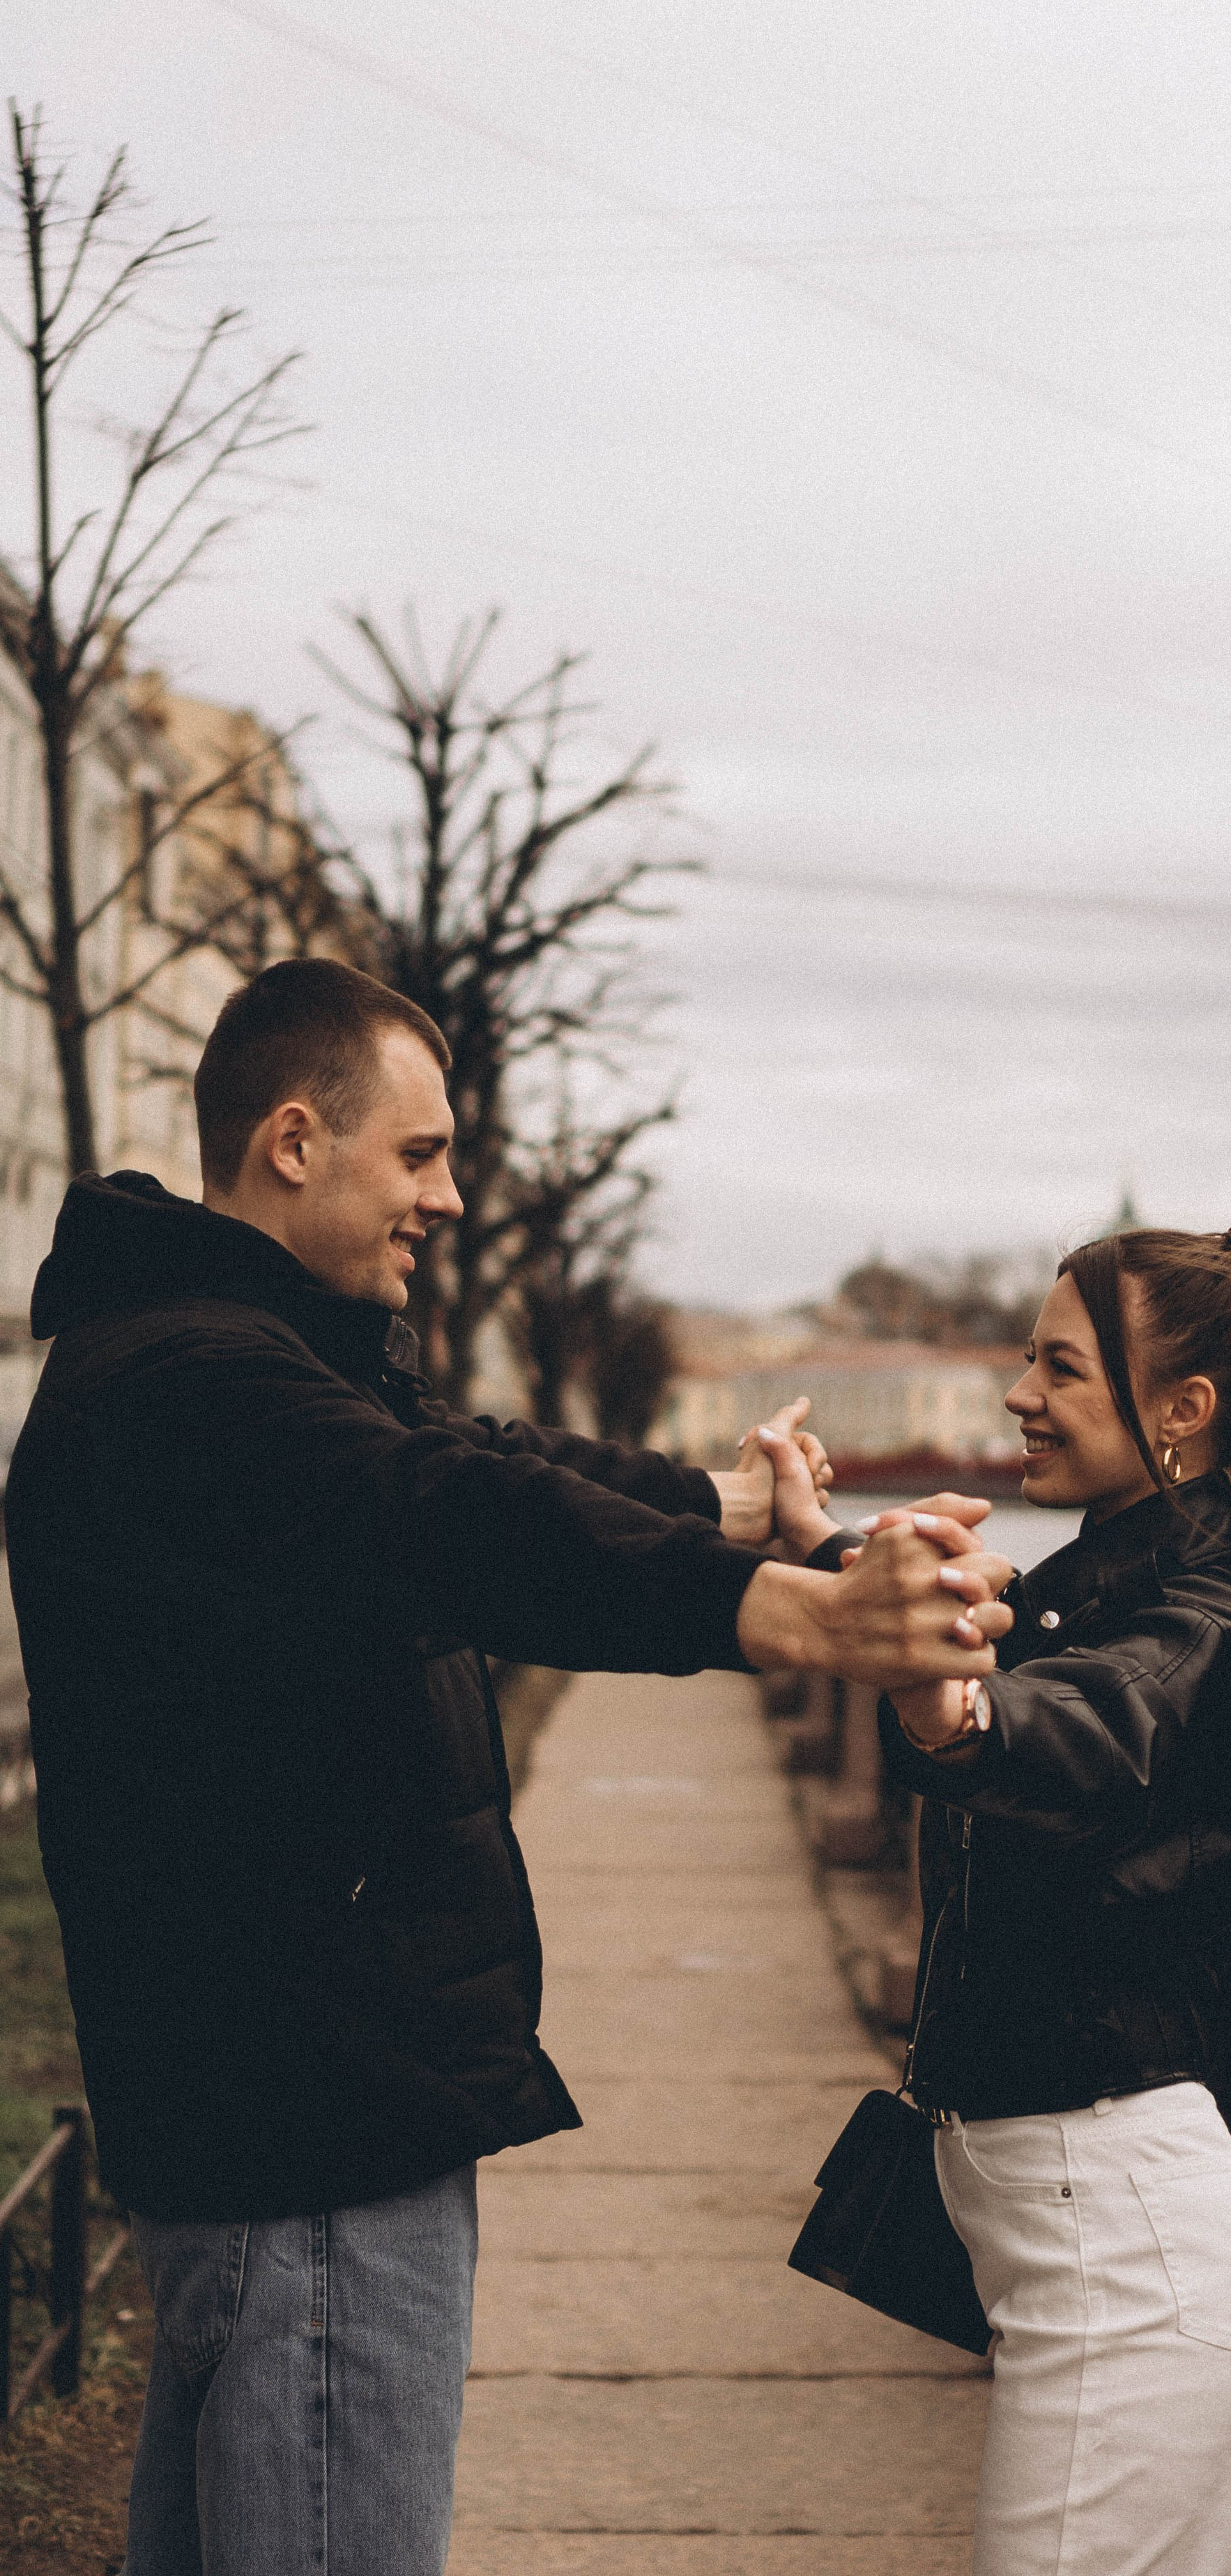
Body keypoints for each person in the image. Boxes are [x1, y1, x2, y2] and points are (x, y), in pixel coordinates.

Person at [6, 957, 1012, 2576]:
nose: (450, 1198)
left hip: (268, 2118)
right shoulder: (203, 1382)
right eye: (420, 1155)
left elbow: (473, 1464)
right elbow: (446, 1521)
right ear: (291, 1141)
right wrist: (803, 1621)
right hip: (315, 2133)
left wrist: (717, 1509)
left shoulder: (222, 1351)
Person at [779, 1224, 1231, 2576]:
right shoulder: (1091, 1590)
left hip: (1129, 2280)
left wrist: (951, 1709)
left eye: (1060, 1369)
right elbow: (998, 1643)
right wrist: (829, 1551)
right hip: (1095, 2257)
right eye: (1024, 1360)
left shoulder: (1202, 1633)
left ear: (1181, 1412)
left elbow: (1079, 1722)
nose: (1016, 1395)